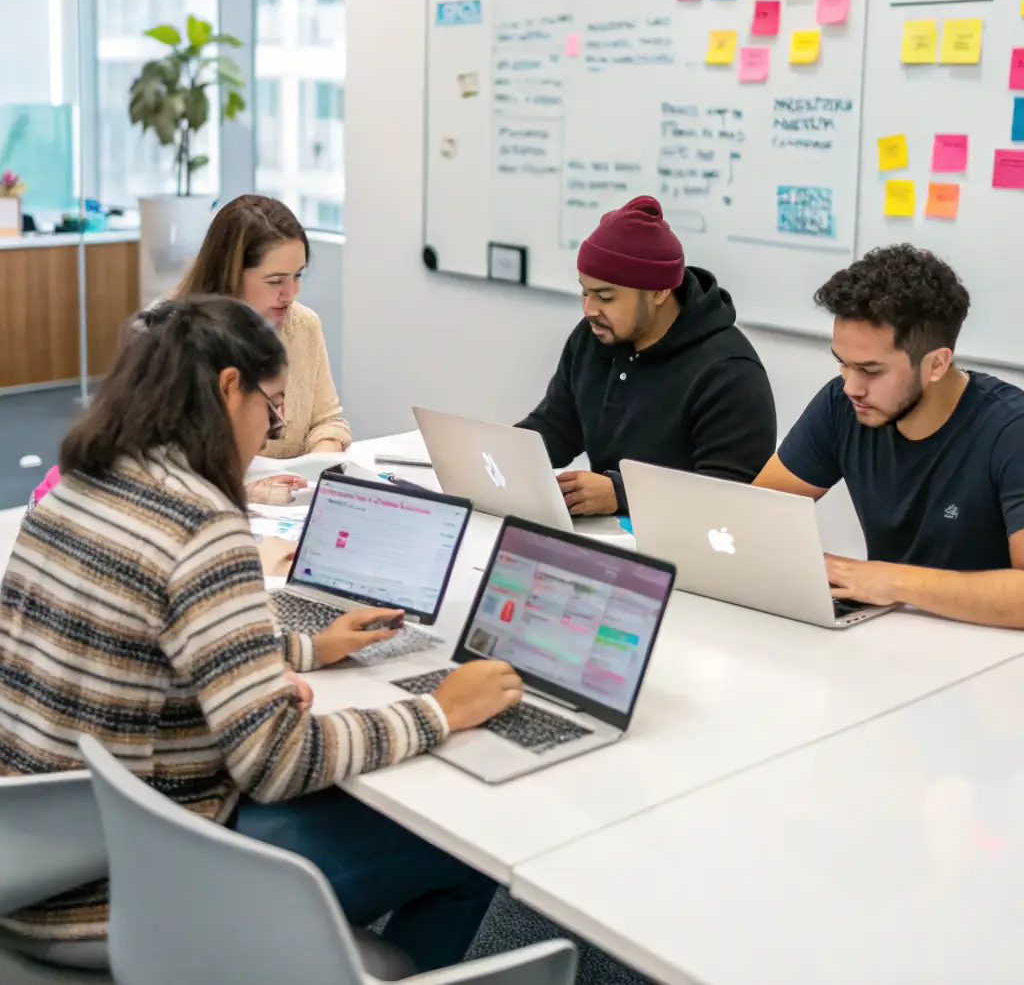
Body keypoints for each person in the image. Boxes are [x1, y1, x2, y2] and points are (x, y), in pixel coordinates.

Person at [0, 297, 521, 971]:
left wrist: (307, 647)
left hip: (37, 859)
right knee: (463, 847)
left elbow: (151, 646)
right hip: (134, 889)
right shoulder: (202, 525)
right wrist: (439, 709)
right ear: (227, 387)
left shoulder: (82, 484)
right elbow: (277, 763)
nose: (273, 431)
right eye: (271, 407)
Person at [754, 244, 1024, 628]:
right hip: (886, 638)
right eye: (842, 364)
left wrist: (893, 580)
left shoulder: (1011, 430)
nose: (851, 387)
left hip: (990, 656)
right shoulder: (841, 404)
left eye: (871, 370)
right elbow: (754, 514)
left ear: (936, 364)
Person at [518, 195, 777, 517]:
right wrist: (501, 455)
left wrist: (622, 495)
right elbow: (557, 428)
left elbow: (730, 492)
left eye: (605, 297)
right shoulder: (593, 338)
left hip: (687, 546)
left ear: (659, 292)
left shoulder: (729, 372)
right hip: (610, 537)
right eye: (585, 291)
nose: (589, 309)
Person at [178, 194, 350, 503]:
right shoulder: (181, 338)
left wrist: (313, 470)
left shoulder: (304, 326)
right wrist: (245, 493)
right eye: (276, 281)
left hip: (290, 505)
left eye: (298, 275)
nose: (291, 293)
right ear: (231, 273)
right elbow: (166, 469)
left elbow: (327, 420)